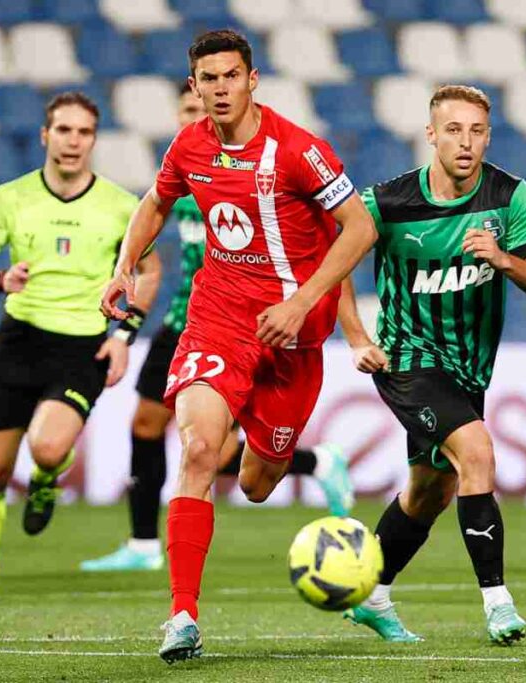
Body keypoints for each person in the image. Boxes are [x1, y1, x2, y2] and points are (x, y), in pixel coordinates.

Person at [99, 29, 376, 663]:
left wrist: (303, 303)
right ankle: (182, 617)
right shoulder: (189, 144)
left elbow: (359, 227)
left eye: (231, 77)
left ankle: (292, 454)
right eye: (208, 80)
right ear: (194, 86)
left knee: (255, 482)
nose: (219, 89)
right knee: (196, 447)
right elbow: (155, 202)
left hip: (294, 336)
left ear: (253, 80)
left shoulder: (298, 151)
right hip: (219, 317)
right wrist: (124, 265)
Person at [80, 84, 354, 574]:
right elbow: (154, 227)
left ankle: (310, 463)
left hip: (270, 325)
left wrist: (327, 315)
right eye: (190, 105)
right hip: (198, 321)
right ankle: (147, 546)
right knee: (174, 435)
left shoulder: (269, 166)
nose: (199, 113)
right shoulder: (188, 172)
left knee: (244, 473)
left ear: (249, 83)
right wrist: (124, 272)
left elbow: (337, 235)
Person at [338, 85, 526, 645]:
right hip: (407, 358)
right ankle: (498, 603)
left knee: (427, 493)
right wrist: (357, 336)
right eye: (454, 130)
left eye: (477, 131)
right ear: (431, 134)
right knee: (477, 452)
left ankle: (371, 592)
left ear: (489, 135)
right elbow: (333, 260)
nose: (466, 142)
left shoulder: (509, 195)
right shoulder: (387, 203)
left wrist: (504, 259)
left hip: (468, 368)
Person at [0, 92, 162, 597]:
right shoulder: (10, 196)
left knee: (47, 448)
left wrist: (124, 337)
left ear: (94, 139)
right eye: (64, 130)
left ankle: (48, 476)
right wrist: (1, 278)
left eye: (84, 132)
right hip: (19, 340)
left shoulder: (121, 206)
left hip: (81, 346)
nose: (74, 141)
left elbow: (150, 273)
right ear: (46, 135)